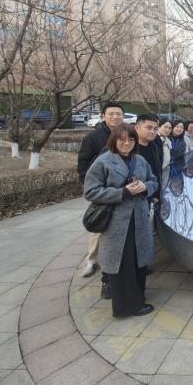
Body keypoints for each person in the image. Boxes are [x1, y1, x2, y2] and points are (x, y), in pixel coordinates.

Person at [83, 123, 157, 318]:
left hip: (139, 220)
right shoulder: (104, 161)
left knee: (138, 262)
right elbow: (90, 191)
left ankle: (138, 298)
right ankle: (126, 307)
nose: (127, 143)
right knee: (122, 264)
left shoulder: (140, 160)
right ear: (114, 140)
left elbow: (154, 181)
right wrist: (122, 192)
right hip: (116, 224)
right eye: (122, 139)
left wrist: (145, 187)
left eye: (131, 139)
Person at [77, 101, 124, 282]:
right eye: (111, 114)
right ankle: (91, 260)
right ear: (103, 115)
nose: (115, 117)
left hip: (122, 189)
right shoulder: (93, 137)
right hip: (101, 189)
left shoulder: (126, 134)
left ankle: (116, 259)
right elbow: (83, 164)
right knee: (99, 224)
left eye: (118, 114)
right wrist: (89, 187)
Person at [134, 114, 164, 199]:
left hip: (152, 194)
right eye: (148, 128)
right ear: (137, 128)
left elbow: (157, 172)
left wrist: (156, 195)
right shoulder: (129, 148)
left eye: (155, 129)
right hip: (134, 197)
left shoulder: (156, 147)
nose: (152, 132)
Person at [157, 118, 172, 188]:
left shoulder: (168, 141)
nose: (167, 130)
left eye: (170, 128)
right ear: (158, 127)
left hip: (165, 171)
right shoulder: (155, 139)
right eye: (165, 127)